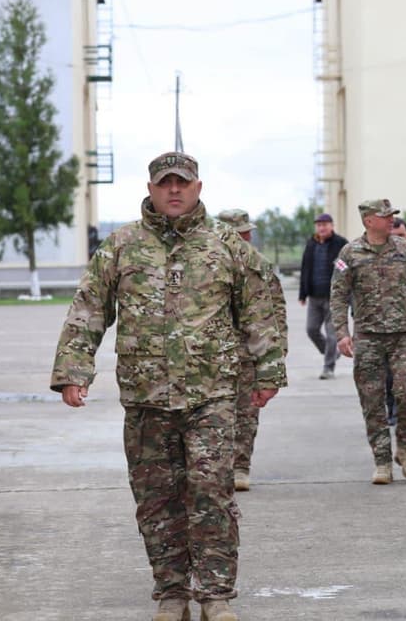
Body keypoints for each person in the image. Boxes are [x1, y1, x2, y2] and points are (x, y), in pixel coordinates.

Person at [51, 152, 288, 621]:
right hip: (145, 399)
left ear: (198, 187)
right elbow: (88, 310)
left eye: (183, 182)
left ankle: (216, 595)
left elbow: (259, 307)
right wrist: (72, 370)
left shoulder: (226, 245)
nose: (174, 191)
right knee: (156, 499)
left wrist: (269, 372)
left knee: (211, 492)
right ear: (152, 188)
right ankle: (172, 592)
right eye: (165, 184)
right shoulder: (122, 246)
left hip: (213, 396)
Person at [331, 198, 406, 484]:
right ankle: (382, 460)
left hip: (402, 336)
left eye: (392, 216)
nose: (391, 220)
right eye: (385, 216)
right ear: (369, 220)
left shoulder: (404, 249)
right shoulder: (349, 253)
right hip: (368, 337)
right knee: (372, 401)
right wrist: (341, 333)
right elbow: (337, 295)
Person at [217, 208, 289, 493]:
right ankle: (218, 467)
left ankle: (240, 467)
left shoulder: (259, 265)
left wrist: (277, 350)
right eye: (243, 231)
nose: (249, 235)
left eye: (248, 231)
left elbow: (276, 309)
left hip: (248, 352)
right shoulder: (205, 265)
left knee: (246, 414)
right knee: (214, 414)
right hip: (212, 356)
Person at [299, 212, 349, 379]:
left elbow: (347, 270)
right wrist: (302, 293)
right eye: (319, 225)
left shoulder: (341, 244)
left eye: (325, 224)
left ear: (331, 226)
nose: (321, 228)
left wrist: (347, 292)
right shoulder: (311, 244)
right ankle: (332, 353)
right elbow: (305, 268)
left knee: (332, 334)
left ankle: (328, 367)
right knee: (311, 329)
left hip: (333, 297)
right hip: (314, 296)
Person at [385, 218, 406, 425]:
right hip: (382, 329)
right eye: (394, 236)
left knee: (404, 375)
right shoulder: (379, 260)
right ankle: (391, 409)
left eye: (402, 235)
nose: (399, 240)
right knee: (387, 376)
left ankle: (400, 412)